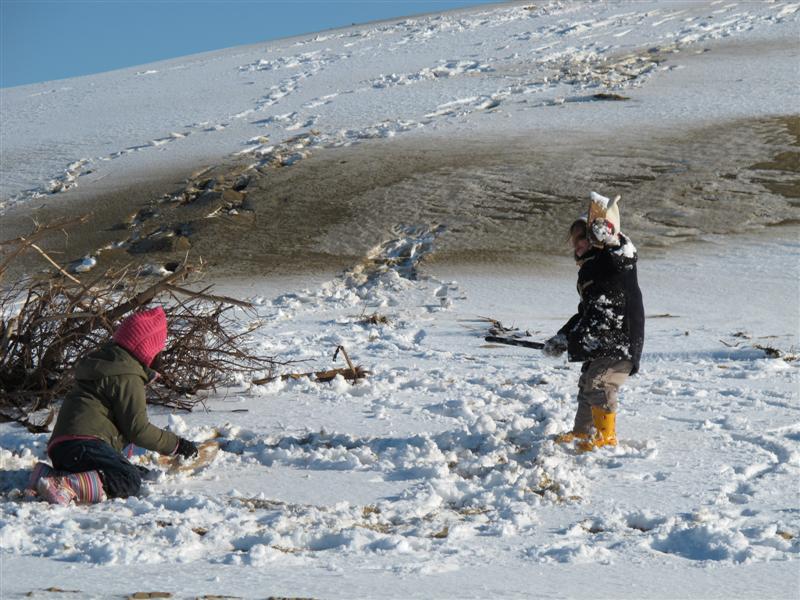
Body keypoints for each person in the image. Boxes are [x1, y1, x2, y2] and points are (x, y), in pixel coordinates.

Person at [29, 306, 199, 505]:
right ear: (148, 349)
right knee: (128, 479)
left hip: (63, 448)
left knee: (122, 469)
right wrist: (177, 445)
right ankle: (64, 485)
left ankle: (49, 475)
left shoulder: (107, 364)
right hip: (84, 444)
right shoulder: (126, 376)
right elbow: (138, 430)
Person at [543, 192, 644, 452]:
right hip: (600, 342)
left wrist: (611, 238)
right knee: (587, 382)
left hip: (621, 340)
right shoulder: (588, 272)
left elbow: (625, 256)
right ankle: (582, 432)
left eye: (582, 239)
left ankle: (606, 436)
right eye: (574, 241)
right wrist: (563, 338)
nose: (577, 245)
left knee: (599, 383)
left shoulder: (613, 261)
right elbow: (584, 314)